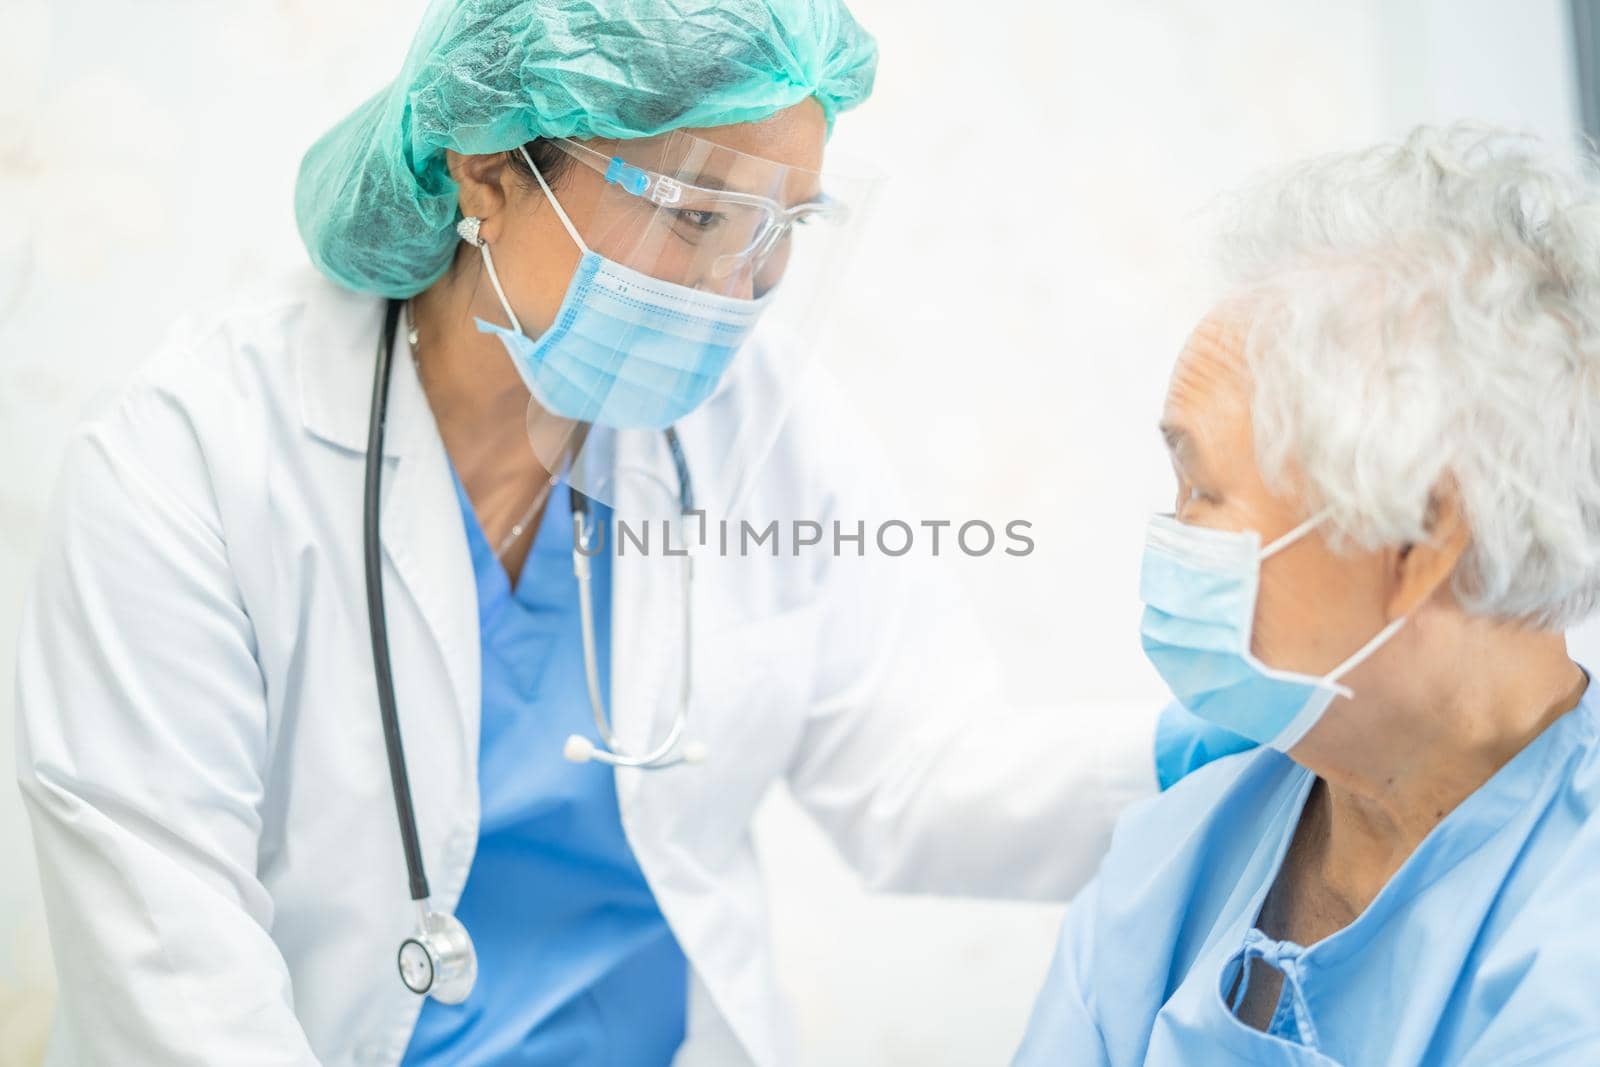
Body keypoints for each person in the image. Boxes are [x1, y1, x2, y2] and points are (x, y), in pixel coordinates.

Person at [14, 2, 1201, 1064]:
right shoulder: (193, 457)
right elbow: (170, 970)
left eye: (782, 227)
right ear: (485, 169)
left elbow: (912, 777)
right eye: (698, 216)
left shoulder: (754, 424)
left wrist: (1219, 743)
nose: (742, 288)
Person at [1014, 124, 1600, 1066]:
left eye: (1204, 491)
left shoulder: (1574, 954)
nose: (1171, 537)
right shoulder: (1166, 865)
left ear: (1417, 538)